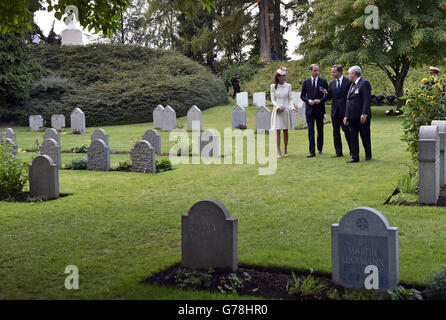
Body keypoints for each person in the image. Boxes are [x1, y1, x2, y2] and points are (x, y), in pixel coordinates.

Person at [344, 66, 372, 163]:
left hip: (361, 117)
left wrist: (364, 113)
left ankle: (368, 155)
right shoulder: (352, 85)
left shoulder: (364, 84)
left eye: (349, 74)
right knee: (353, 137)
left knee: (365, 136)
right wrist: (346, 115)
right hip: (352, 117)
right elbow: (348, 101)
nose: (348, 76)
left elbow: (367, 100)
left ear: (354, 74)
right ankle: (355, 157)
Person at [323, 64, 352, 157]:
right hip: (335, 111)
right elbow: (329, 97)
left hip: (344, 112)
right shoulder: (331, 83)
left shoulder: (348, 82)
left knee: (347, 131)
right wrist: (325, 94)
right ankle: (338, 152)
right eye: (332, 71)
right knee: (336, 132)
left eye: (334, 72)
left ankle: (352, 151)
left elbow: (350, 97)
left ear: (340, 72)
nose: (332, 73)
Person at [300, 64, 328, 158]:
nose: (317, 72)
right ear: (310, 71)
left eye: (317, 70)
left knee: (320, 130)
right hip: (310, 110)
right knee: (311, 130)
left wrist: (320, 100)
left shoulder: (323, 81)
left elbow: (328, 95)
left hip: (320, 109)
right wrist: (308, 100)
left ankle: (320, 149)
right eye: (315, 70)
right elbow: (302, 95)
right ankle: (312, 151)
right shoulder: (306, 82)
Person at [270, 66, 296, 158]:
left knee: (285, 130)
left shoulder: (288, 86)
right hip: (277, 111)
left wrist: (292, 107)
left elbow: (290, 98)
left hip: (286, 110)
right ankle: (278, 151)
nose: (285, 77)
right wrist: (277, 107)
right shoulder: (273, 86)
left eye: (285, 76)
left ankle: (285, 148)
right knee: (278, 131)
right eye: (283, 76)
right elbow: (273, 99)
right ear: (278, 77)